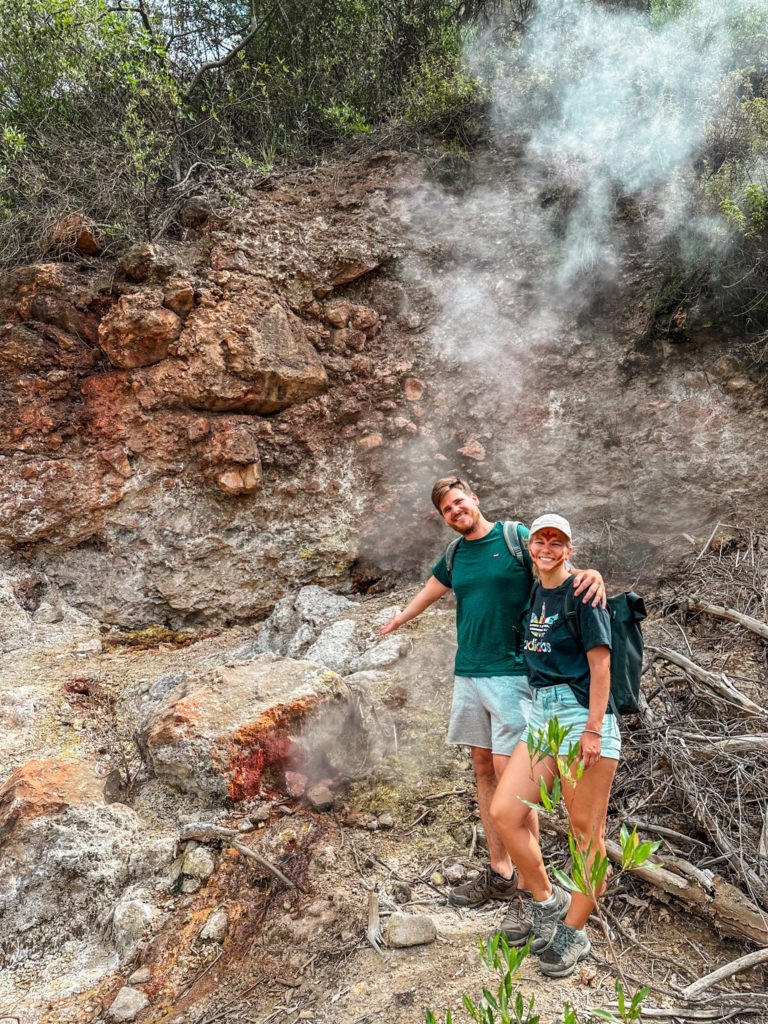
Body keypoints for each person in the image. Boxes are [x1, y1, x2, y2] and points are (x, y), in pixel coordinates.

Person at [380, 479, 604, 925]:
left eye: (459, 502)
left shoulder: (514, 537)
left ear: (475, 500)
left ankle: (530, 890)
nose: (455, 511)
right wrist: (402, 616)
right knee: (482, 769)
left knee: (513, 783)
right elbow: (433, 587)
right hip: (470, 674)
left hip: (514, 675)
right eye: (446, 509)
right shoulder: (456, 554)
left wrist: (590, 575)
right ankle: (502, 871)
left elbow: (554, 563)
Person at [489, 513, 620, 978]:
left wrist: (591, 729)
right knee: (505, 810)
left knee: (585, 832)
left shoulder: (584, 593)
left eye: (556, 541)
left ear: (569, 547)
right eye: (540, 539)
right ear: (531, 547)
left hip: (581, 715)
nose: (546, 547)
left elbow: (601, 668)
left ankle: (574, 932)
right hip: (541, 716)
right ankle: (548, 901)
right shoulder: (535, 590)